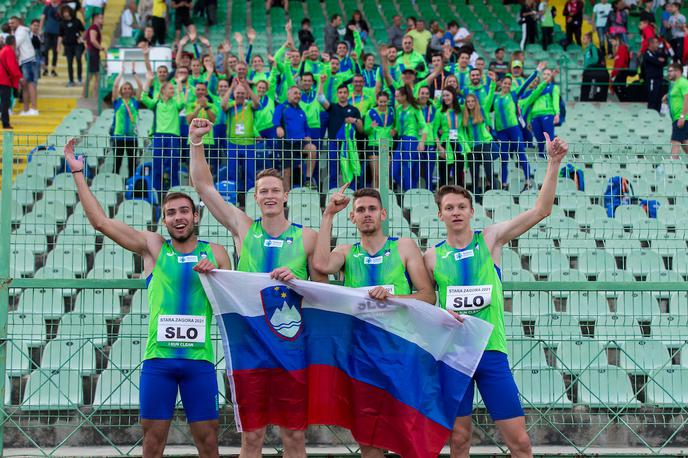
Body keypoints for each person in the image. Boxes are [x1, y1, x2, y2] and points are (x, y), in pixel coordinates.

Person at [62, 137, 230, 458]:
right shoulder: (154, 248)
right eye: (170, 213)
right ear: (164, 220)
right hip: (159, 362)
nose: (178, 217)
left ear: (196, 216)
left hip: (200, 362)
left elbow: (230, 304)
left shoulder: (217, 253)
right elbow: (101, 222)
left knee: (208, 444)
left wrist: (215, 278)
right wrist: (78, 174)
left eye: (184, 211)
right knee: (152, 444)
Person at [424, 133, 569, 458]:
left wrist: (554, 163)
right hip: (454, 357)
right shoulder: (431, 257)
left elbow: (541, 210)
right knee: (459, 442)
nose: (456, 212)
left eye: (462, 206)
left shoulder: (490, 239)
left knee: (520, 443)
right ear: (440, 215)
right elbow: (424, 302)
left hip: (490, 352)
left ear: (472, 211)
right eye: (449, 208)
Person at [188, 118, 327, 458]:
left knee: (294, 439)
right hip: (250, 348)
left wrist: (298, 282)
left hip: (292, 349)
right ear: (255, 196)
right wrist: (195, 142)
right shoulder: (243, 228)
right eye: (263, 191)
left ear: (286, 195)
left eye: (274, 190)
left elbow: (321, 290)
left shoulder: (306, 236)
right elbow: (204, 188)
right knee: (252, 440)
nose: (269, 196)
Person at [312, 186, 437, 458]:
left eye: (371, 209)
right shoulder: (347, 252)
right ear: (352, 218)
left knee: (409, 437)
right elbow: (321, 265)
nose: (366, 214)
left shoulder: (402, 246)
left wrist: (392, 297)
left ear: (382, 214)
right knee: (369, 440)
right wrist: (329, 214)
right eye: (360, 210)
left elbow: (428, 296)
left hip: (401, 355)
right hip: (362, 358)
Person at [318, 77, 364, 190]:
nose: (342, 95)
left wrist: (355, 120)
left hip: (349, 145)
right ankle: (333, 194)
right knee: (333, 170)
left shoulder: (354, 110)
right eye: (340, 93)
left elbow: (361, 129)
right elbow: (320, 99)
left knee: (350, 169)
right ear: (337, 94)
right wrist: (322, 82)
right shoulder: (332, 107)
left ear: (348, 94)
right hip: (334, 142)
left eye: (344, 92)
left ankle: (351, 193)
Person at [141, 79, 185, 190]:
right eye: (170, 88)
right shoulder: (156, 103)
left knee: (174, 164)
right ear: (163, 90)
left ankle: (174, 189)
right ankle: (157, 190)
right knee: (157, 164)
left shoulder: (175, 103)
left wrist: (179, 85)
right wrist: (148, 80)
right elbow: (143, 97)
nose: (173, 90)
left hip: (173, 136)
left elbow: (182, 103)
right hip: (158, 136)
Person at [274, 85, 317, 188]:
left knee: (312, 149)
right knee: (286, 171)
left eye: (299, 94)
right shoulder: (282, 107)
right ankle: (286, 199)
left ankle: (308, 180)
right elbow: (276, 120)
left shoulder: (301, 111)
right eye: (295, 93)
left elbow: (306, 127)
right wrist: (278, 127)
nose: (298, 95)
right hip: (286, 143)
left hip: (300, 143)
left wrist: (308, 136)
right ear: (288, 95)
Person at [391, 85, 426, 192]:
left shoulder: (415, 108)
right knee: (393, 171)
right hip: (401, 141)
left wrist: (422, 142)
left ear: (404, 96)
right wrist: (394, 131)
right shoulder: (398, 108)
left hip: (411, 140)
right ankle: (410, 191)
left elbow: (424, 126)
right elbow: (397, 126)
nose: (395, 98)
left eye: (397, 96)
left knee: (408, 169)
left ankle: (409, 195)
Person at [111, 62, 143, 177]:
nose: (127, 90)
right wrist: (121, 74)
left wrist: (134, 73)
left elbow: (140, 87)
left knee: (132, 163)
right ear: (121, 90)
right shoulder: (117, 101)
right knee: (117, 162)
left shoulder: (135, 102)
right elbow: (115, 86)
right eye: (124, 88)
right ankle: (115, 183)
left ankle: (131, 184)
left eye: (129, 88)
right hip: (119, 136)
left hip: (132, 136)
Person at [434, 87, 468, 188]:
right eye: (443, 96)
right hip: (445, 144)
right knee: (444, 177)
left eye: (447, 95)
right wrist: (439, 147)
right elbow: (434, 131)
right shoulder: (439, 111)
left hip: (459, 144)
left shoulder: (462, 109)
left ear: (453, 95)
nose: (445, 98)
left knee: (459, 177)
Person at [363, 91, 395, 188]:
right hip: (374, 144)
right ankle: (375, 198)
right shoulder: (370, 112)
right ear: (377, 101)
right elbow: (365, 131)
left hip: (386, 144)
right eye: (381, 102)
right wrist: (371, 127)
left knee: (385, 176)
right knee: (376, 175)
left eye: (385, 102)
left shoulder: (392, 111)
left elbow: (396, 126)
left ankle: (387, 200)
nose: (383, 104)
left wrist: (395, 130)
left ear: (388, 101)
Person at [8, 17, 39, 116]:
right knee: (24, 85)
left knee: (30, 84)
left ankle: (34, 109)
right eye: (10, 23)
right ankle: (26, 109)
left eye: (13, 23)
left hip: (28, 60)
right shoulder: (16, 32)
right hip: (23, 61)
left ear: (18, 22)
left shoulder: (21, 31)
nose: (11, 25)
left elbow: (14, 44)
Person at [59, 6, 85, 87]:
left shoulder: (76, 21)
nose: (65, 13)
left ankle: (79, 79)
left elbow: (84, 31)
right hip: (68, 46)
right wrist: (58, 45)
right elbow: (60, 35)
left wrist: (81, 38)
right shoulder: (62, 23)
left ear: (70, 12)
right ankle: (71, 80)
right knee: (69, 63)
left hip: (77, 45)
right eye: (64, 12)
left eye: (66, 11)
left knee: (78, 59)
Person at [665, 63, 688, 157]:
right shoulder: (675, 84)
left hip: (682, 117)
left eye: (670, 71)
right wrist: (666, 96)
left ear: (678, 71)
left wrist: (682, 117)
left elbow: (687, 98)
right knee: (685, 144)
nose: (668, 74)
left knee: (675, 142)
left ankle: (672, 169)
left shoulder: (683, 82)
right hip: (678, 118)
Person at [0, 36, 22, 130]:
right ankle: (5, 123)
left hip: (2, 78)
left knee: (4, 102)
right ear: (14, 42)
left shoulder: (4, 50)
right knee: (5, 102)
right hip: (4, 80)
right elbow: (11, 66)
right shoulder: (9, 50)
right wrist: (19, 77)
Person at [643, 37, 668, 112]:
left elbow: (665, 61)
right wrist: (659, 60)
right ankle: (650, 117)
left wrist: (660, 60)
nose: (658, 45)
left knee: (658, 100)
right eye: (656, 43)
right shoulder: (647, 53)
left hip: (659, 79)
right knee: (652, 99)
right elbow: (657, 62)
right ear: (651, 44)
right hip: (652, 80)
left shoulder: (657, 53)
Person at [84, 13, 104, 98]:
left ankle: (92, 95)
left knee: (95, 75)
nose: (103, 20)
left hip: (93, 53)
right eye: (101, 18)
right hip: (92, 53)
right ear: (95, 18)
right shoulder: (94, 28)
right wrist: (100, 48)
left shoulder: (95, 28)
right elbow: (92, 40)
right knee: (94, 75)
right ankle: (91, 95)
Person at [39, 0, 62, 77]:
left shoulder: (60, 7)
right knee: (46, 50)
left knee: (55, 52)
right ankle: (45, 69)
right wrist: (40, 29)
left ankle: (53, 70)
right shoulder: (47, 7)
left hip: (57, 32)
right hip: (48, 32)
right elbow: (43, 18)